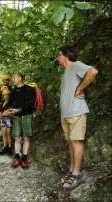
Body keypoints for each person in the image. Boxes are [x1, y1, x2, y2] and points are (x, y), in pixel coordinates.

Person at [58, 46, 98, 190]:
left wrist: (80, 88)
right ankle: (71, 171)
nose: (58, 58)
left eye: (59, 55)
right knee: (71, 143)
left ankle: (77, 174)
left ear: (64, 56)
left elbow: (93, 71)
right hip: (67, 114)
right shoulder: (66, 72)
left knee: (76, 142)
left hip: (76, 112)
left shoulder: (76, 65)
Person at [7, 73, 36, 169]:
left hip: (27, 115)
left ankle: (24, 159)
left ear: (20, 78)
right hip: (16, 117)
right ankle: (17, 157)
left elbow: (31, 102)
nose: (12, 79)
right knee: (17, 138)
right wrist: (7, 111)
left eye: (14, 77)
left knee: (26, 138)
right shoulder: (13, 91)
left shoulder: (29, 89)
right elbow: (10, 103)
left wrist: (19, 109)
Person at [0, 89, 13, 156]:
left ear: (9, 95)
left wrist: (0, 113)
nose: (6, 96)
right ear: (3, 96)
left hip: (9, 119)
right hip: (3, 119)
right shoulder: (2, 102)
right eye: (5, 95)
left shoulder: (11, 103)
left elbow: (9, 112)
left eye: (7, 95)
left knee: (8, 133)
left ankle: (10, 148)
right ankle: (5, 147)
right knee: (4, 133)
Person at [0, 75, 13, 141]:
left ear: (8, 81)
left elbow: (12, 96)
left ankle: (10, 136)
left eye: (6, 80)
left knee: (9, 120)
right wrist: (0, 104)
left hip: (9, 104)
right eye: (4, 80)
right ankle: (1, 135)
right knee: (2, 120)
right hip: (2, 104)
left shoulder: (10, 88)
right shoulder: (1, 88)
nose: (5, 81)